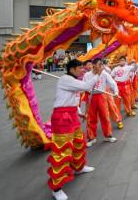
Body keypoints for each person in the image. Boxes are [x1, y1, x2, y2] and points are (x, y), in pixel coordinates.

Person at [47, 59, 99, 200]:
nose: (82, 70)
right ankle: (56, 188)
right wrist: (96, 74)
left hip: (71, 115)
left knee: (78, 142)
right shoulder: (65, 79)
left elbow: (72, 99)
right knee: (62, 151)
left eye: (83, 68)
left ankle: (79, 167)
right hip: (62, 118)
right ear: (72, 69)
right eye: (80, 68)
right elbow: (86, 86)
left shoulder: (72, 81)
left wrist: (78, 112)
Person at [83, 58, 118, 147]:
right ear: (93, 65)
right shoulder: (87, 75)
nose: (100, 66)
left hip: (101, 96)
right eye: (99, 64)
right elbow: (84, 85)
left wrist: (116, 92)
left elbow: (112, 83)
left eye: (101, 65)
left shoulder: (104, 74)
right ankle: (91, 137)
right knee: (91, 118)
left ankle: (108, 135)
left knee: (105, 116)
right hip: (91, 97)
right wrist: (88, 89)